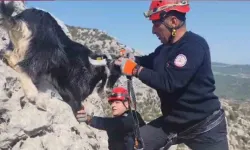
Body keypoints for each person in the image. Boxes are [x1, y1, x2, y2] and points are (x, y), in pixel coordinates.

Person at [114, 0, 229, 150]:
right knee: (133, 144)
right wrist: (132, 59)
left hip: (204, 126)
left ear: (173, 21)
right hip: (173, 123)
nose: (153, 31)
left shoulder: (193, 46)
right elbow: (149, 61)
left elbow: (170, 82)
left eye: (156, 23)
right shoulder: (164, 49)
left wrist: (135, 69)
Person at [76, 87, 146, 150]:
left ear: (127, 103)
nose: (113, 105)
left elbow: (114, 123)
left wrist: (89, 119)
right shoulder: (118, 119)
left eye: (117, 102)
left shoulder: (133, 116)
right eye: (112, 103)